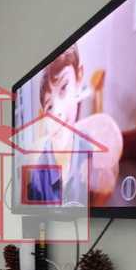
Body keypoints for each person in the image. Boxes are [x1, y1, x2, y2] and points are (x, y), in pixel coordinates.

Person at [31, 44, 123, 206]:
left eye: (64, 87)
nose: (57, 112)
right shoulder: (40, 169)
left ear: (79, 76)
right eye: (50, 107)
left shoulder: (91, 148)